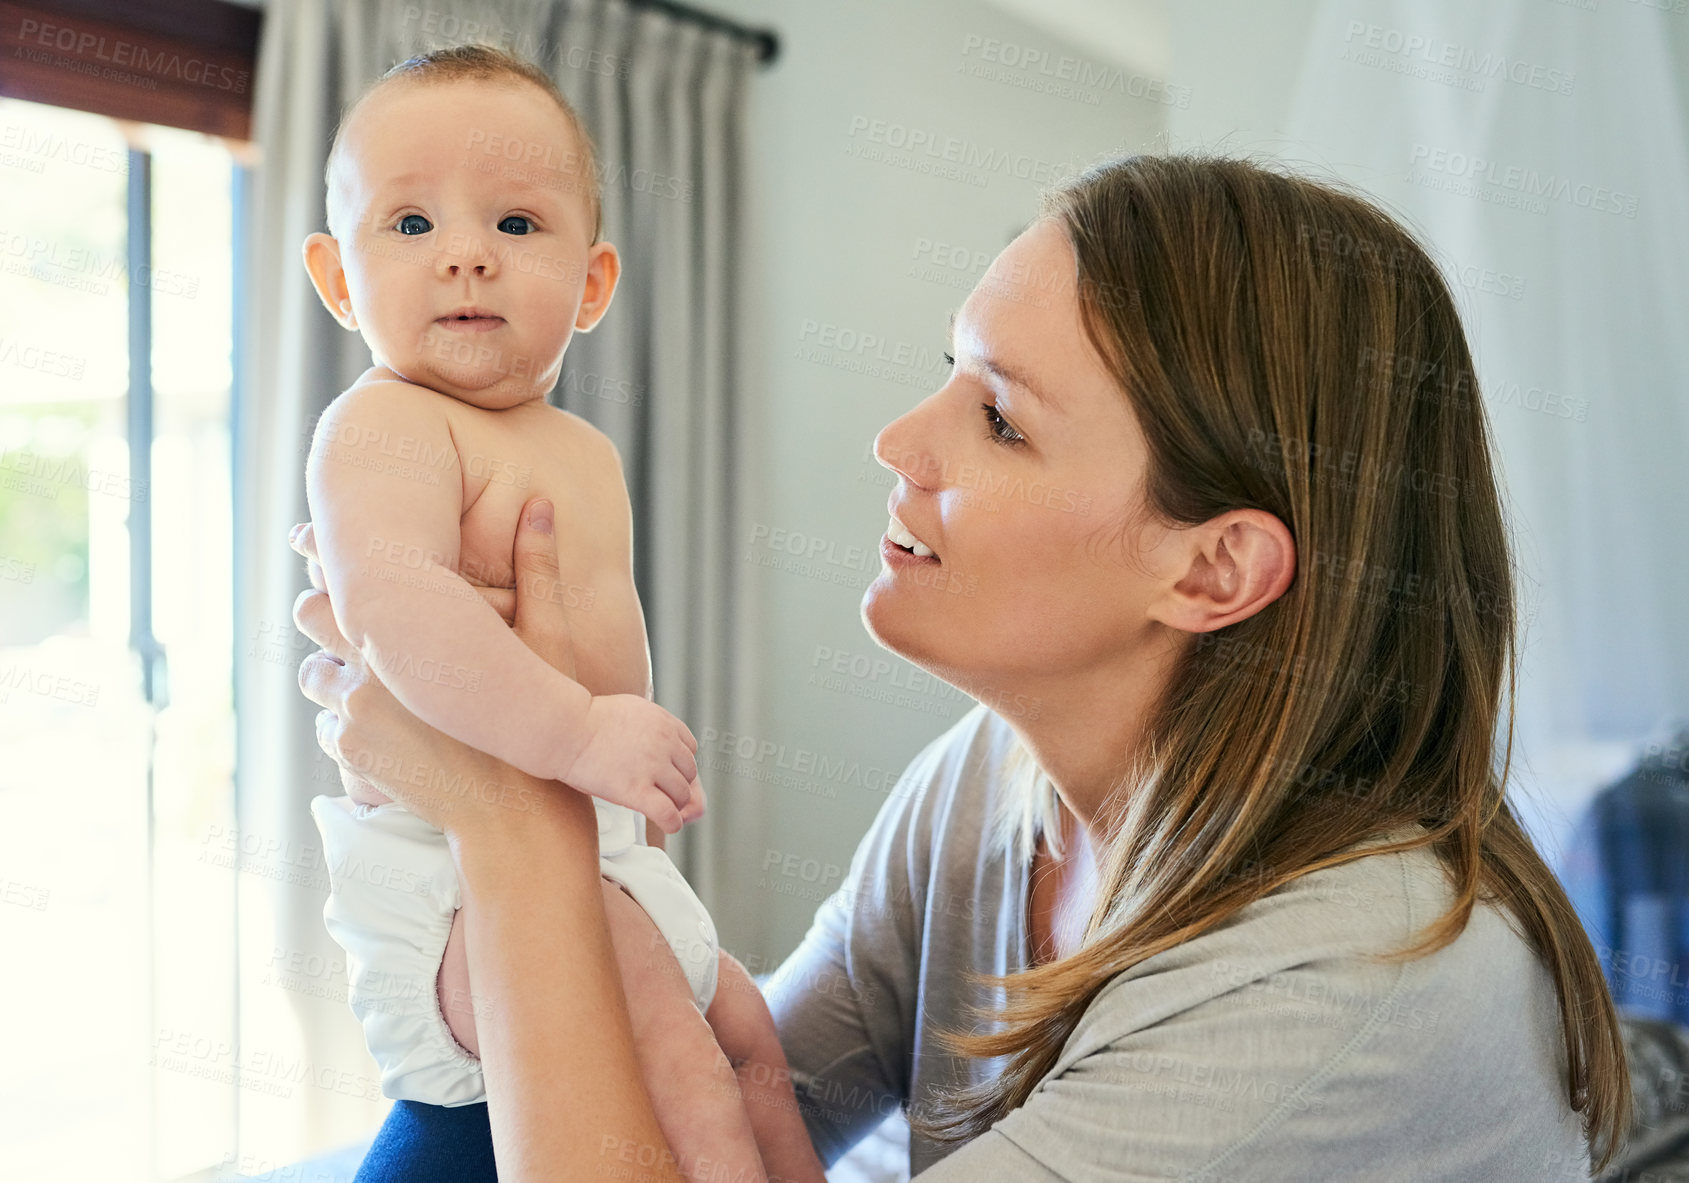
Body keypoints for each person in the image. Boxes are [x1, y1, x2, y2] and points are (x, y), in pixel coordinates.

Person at [293, 153, 1631, 1179]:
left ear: (1213, 568)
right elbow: (734, 1100)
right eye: (948, 374)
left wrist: (512, 808)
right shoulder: (997, 782)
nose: (896, 440)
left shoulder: (1348, 983)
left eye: (995, 414)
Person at [295, 43, 823, 1183]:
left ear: (591, 285)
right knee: (686, 1074)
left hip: (603, 850)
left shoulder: (582, 447)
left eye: (519, 225)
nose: (468, 255)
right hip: (454, 867)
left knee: (750, 1041)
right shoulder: (383, 424)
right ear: (338, 280)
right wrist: (583, 736)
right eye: (412, 224)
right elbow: (395, 605)